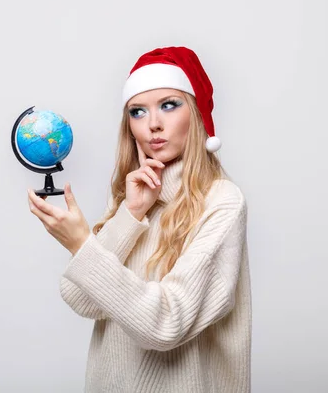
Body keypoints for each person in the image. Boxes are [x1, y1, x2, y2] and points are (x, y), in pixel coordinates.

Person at [27, 46, 251, 393]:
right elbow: (79, 297)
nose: (153, 124)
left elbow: (166, 324)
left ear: (196, 114)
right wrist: (129, 216)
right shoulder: (133, 196)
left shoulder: (222, 202)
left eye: (169, 104)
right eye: (138, 111)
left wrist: (80, 244)